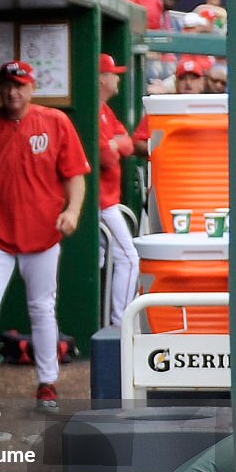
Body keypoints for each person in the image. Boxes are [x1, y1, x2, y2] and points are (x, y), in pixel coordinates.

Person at [0, 61, 90, 415]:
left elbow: (75, 175)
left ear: (32, 87)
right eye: (7, 85)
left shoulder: (55, 122)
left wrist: (73, 211)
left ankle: (47, 384)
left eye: (20, 85)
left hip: (42, 235)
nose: (13, 92)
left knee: (42, 310)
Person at [97, 54, 139, 327]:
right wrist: (114, 145)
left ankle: (115, 322)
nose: (118, 78)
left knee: (112, 260)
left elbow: (128, 143)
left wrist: (116, 143)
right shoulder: (93, 108)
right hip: (101, 204)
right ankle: (119, 325)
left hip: (108, 202)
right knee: (129, 259)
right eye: (114, 74)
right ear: (102, 78)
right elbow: (107, 157)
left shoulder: (106, 109)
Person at [133, 59, 207, 158]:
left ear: (202, 82)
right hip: (169, 167)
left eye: (193, 78)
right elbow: (138, 143)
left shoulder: (211, 108)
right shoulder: (163, 108)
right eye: (183, 78)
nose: (188, 83)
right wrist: (159, 147)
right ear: (176, 82)